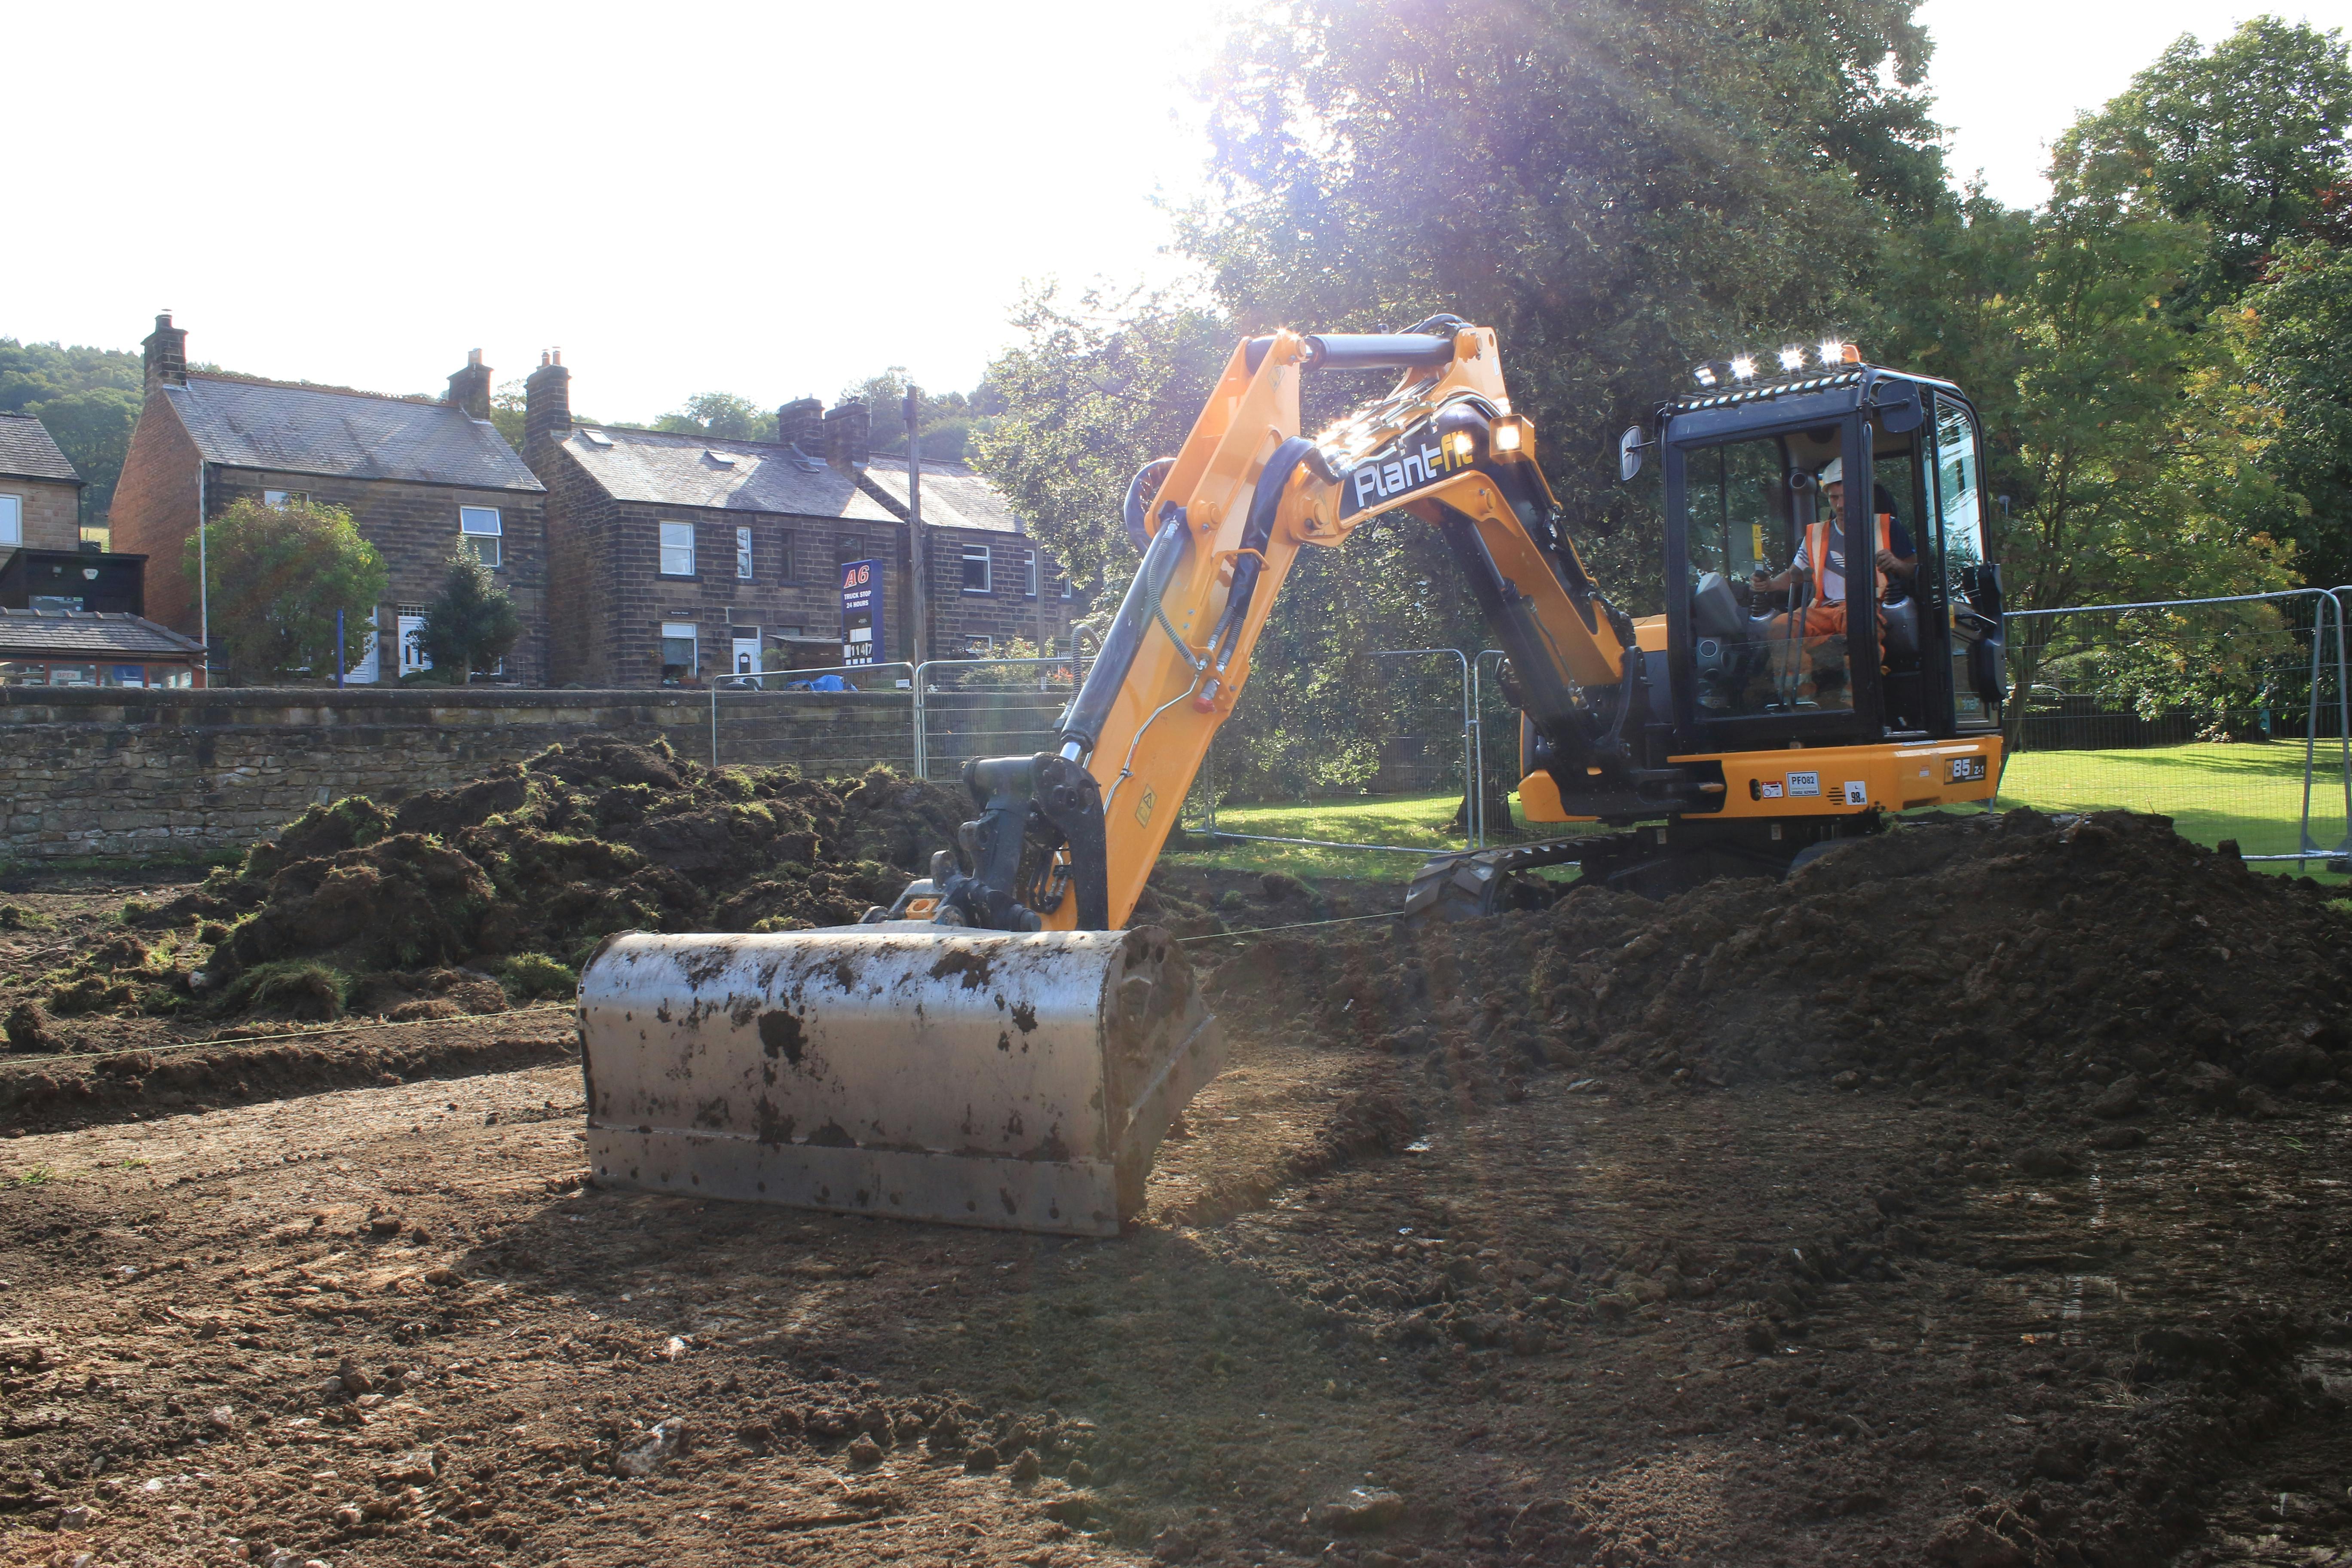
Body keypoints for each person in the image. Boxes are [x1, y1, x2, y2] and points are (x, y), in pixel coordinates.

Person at [1750, 457, 1917, 705]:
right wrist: (1770, 585)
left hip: (1866, 607)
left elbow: (1914, 568)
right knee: (1782, 626)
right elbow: (1795, 574)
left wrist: (1897, 564)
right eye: (1834, 497)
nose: (1840, 504)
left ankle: (1856, 701)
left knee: (1857, 622)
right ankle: (1798, 701)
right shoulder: (1816, 534)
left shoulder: (1887, 527)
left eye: (1846, 496)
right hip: (1824, 609)